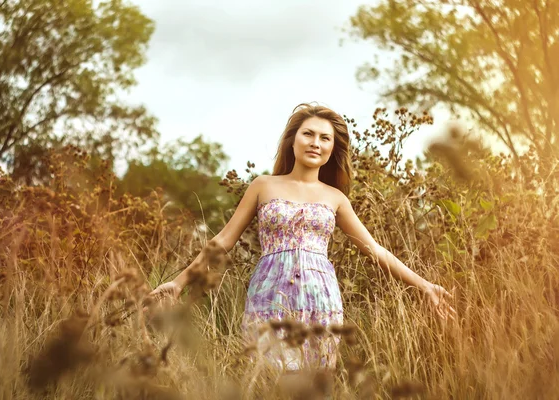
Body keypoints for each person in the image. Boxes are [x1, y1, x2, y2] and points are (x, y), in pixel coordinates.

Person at [150, 103, 456, 371]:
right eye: (308, 134)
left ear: (332, 149)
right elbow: (223, 241)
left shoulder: (335, 198)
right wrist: (177, 283)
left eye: (325, 138)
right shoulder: (263, 185)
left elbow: (374, 249)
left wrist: (425, 286)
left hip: (320, 301)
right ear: (292, 140)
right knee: (266, 381)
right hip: (269, 299)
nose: (316, 143)